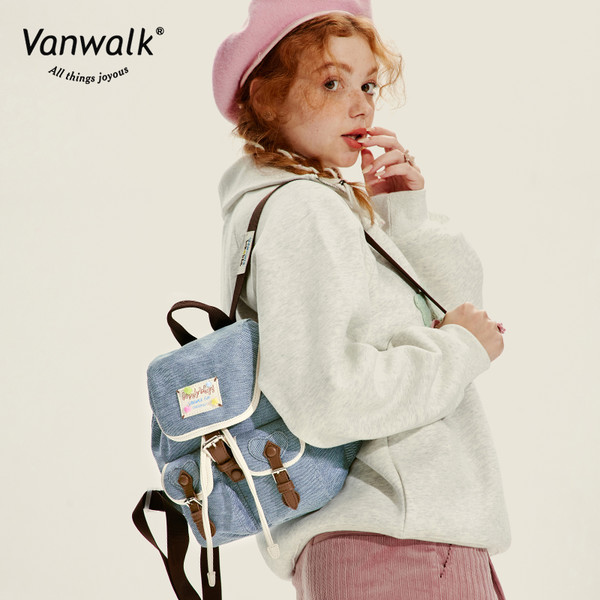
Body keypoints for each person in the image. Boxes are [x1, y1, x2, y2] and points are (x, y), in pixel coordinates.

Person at [213, 1, 510, 598]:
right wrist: (457, 351)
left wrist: (405, 214)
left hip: (393, 538)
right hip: (398, 544)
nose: (361, 105)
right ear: (267, 98)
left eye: (368, 85)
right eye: (332, 82)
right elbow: (325, 397)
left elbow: (458, 312)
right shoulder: (305, 209)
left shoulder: (311, 203)